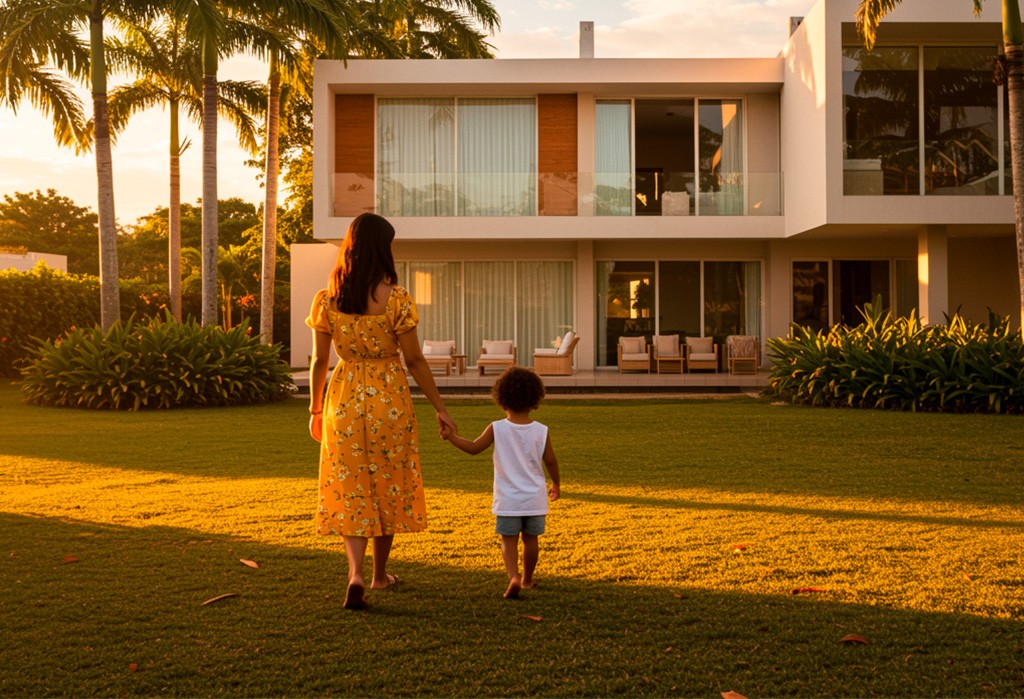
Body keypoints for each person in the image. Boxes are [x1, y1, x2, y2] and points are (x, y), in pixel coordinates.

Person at [307, 212, 456, 611]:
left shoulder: (327, 299)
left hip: (344, 399)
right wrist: (440, 408)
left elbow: (320, 362)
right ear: (383, 248)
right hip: (389, 399)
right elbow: (416, 361)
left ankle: (354, 572)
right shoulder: (397, 298)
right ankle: (378, 576)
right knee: (388, 486)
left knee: (351, 486)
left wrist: (316, 409)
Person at [441, 367, 560, 599]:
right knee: (531, 540)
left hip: (508, 499)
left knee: (509, 540)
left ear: (502, 398)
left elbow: (474, 448)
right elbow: (551, 461)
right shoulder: (541, 431)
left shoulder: (497, 428)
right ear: (535, 400)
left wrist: (451, 437)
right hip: (533, 498)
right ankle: (527, 580)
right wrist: (556, 484)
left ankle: (513, 576)